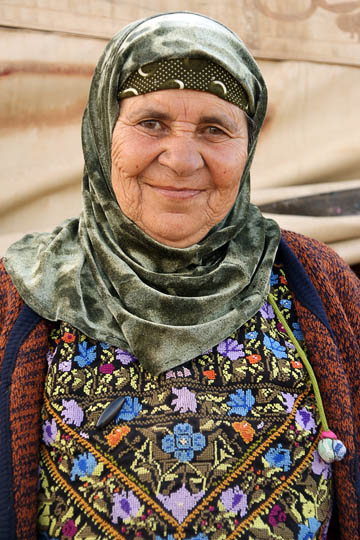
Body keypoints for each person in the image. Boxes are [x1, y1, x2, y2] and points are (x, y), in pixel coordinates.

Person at [0, 11, 359, 540]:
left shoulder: (319, 283)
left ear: (248, 147)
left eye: (215, 129)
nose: (182, 158)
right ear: (104, 132)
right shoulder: (26, 289)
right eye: (152, 123)